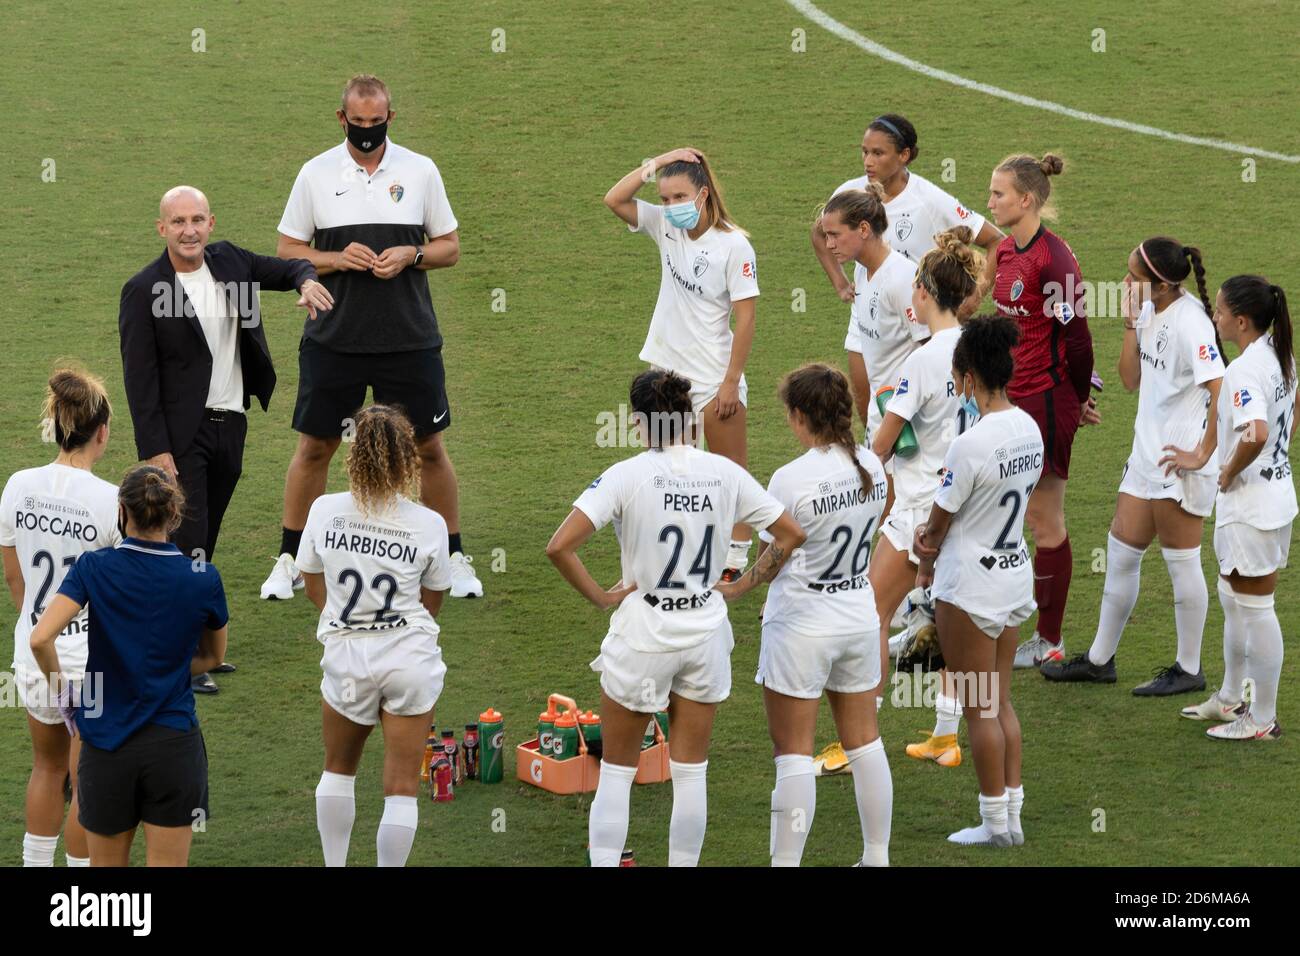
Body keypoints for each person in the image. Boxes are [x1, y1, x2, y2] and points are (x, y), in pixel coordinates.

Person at [546, 369, 805, 867]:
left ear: (640, 423)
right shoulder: (725, 472)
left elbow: (559, 546)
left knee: (618, 773)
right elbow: (789, 533)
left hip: (645, 635)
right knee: (690, 773)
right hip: (706, 631)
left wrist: (602, 597)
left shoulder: (626, 474)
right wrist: (739, 585)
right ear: (689, 420)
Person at [264, 73, 481, 602]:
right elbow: (287, 250)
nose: (366, 130)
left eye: (375, 121)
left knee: (428, 448)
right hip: (333, 338)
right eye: (357, 122)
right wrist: (336, 259)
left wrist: (414, 254)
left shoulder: (420, 170)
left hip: (408, 338)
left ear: (390, 117)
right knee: (315, 448)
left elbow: (449, 247)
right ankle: (291, 558)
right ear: (342, 119)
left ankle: (452, 557)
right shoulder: (315, 174)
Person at [119, 184, 331, 693]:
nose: (188, 230)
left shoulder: (231, 262)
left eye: (197, 220)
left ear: (211, 223)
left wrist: (306, 280)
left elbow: (288, 268)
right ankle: (179, 662)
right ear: (162, 228)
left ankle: (194, 648)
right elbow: (139, 377)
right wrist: (156, 451)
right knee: (186, 541)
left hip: (230, 424)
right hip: (180, 438)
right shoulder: (145, 289)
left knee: (203, 540)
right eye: (178, 222)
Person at [1043, 238, 1224, 694]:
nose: (1124, 282)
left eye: (1133, 278)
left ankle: (1189, 668)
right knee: (1121, 553)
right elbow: (1129, 379)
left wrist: (1202, 454)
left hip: (1178, 462)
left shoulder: (1192, 324)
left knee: (1181, 563)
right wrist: (1129, 324)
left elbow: (1220, 388)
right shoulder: (1147, 311)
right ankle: (1101, 661)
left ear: (1162, 286)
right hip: (1146, 455)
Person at [29, 466, 228, 866]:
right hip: (174, 746)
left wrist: (67, 699)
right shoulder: (202, 576)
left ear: (122, 511)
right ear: (175, 513)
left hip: (106, 746)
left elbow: (40, 638)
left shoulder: (94, 567)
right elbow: (213, 657)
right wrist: (163, 671)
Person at [296, 405, 452, 867]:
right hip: (408, 657)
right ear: (407, 457)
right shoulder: (429, 523)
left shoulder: (325, 510)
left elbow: (312, 582)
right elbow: (434, 598)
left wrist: (345, 620)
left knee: (338, 770)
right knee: (402, 787)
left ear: (354, 454)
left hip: (347, 658)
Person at [603, 148, 761, 580]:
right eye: (665, 197)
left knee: (730, 474)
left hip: (713, 379)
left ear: (704, 194)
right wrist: (657, 161)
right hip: (665, 375)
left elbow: (746, 318)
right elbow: (614, 200)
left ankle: (733, 561)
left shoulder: (734, 246)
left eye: (679, 197)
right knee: (668, 470)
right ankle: (677, 552)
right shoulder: (663, 227)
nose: (670, 206)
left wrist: (731, 382)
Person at [757, 364, 892, 867]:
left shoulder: (790, 479)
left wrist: (743, 584)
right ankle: (876, 859)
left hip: (802, 626)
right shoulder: (872, 465)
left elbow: (774, 555)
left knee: (794, 756)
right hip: (858, 616)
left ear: (799, 417)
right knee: (865, 744)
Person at [915, 316, 1043, 847]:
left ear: (967, 378)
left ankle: (994, 824)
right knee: (1001, 701)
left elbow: (936, 527)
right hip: (1014, 577)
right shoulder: (1029, 427)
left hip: (970, 587)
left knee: (978, 707)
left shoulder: (969, 445)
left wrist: (923, 545)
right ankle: (1010, 815)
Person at [869, 228, 983, 767]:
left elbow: (886, 439)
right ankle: (945, 735)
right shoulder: (975, 350)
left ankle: (857, 735)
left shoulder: (923, 359)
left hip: (918, 508)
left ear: (922, 291)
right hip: (964, 505)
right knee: (947, 624)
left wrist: (863, 471)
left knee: (870, 614)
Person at [1, 368, 119, 866]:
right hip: (86, 660)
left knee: (46, 769)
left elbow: (14, 579)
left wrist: (38, 625)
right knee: (86, 779)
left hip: (33, 652)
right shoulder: (111, 500)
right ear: (102, 432)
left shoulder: (18, 486)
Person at [984, 154, 1097, 669]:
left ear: (1026, 200)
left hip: (1048, 400)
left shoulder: (1053, 261)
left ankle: (1049, 639)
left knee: (1044, 519)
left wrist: (1076, 399)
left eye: (998, 195)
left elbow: (1077, 338)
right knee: (1008, 510)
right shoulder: (1007, 251)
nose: (990, 203)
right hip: (1010, 400)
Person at [1182, 276, 1296, 739]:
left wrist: (1228, 470)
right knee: (1234, 599)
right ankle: (1231, 699)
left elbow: (1256, 431)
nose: (1216, 317)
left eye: (1222, 312)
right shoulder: (1279, 355)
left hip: (1251, 506)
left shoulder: (1244, 370)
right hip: (1273, 498)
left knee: (1256, 608)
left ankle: (1262, 720)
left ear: (1241, 321)